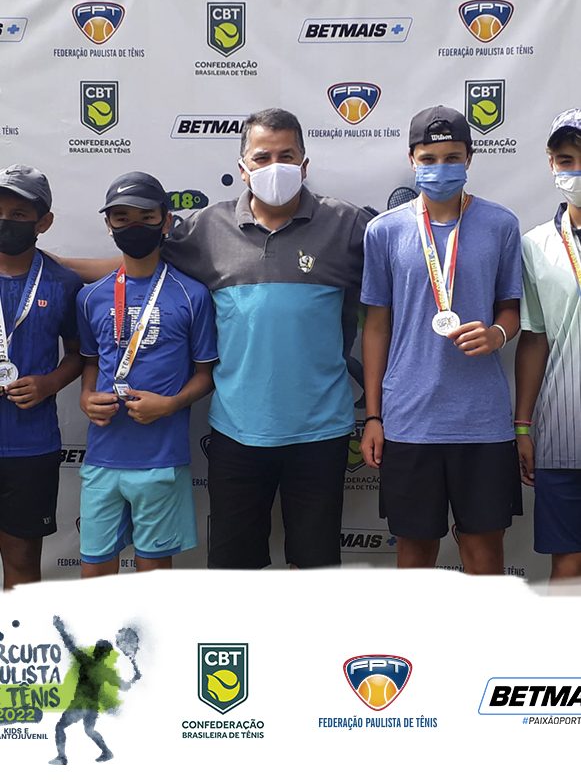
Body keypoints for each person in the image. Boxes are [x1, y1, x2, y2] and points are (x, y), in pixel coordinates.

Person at [162, 107, 372, 569]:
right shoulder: (207, 228)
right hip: (237, 430)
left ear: (304, 164)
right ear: (243, 168)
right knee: (235, 570)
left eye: (286, 156)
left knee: (316, 567)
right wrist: (51, 267)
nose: (274, 167)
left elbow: (403, 282)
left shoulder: (347, 224)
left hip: (321, 430)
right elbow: (141, 269)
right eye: (262, 157)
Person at [360, 105, 522, 574]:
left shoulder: (501, 224)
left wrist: (496, 334)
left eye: (452, 158)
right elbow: (376, 326)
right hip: (409, 419)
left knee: (485, 553)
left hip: (482, 419)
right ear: (412, 159)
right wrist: (374, 415)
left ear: (469, 158)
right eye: (428, 159)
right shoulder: (384, 231)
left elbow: (511, 310)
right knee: (414, 556)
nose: (440, 168)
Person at [76, 171, 217, 577]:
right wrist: (86, 397)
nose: (134, 226)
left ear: (166, 221)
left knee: (153, 571)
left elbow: (206, 373)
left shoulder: (193, 295)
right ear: (109, 224)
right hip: (102, 455)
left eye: (146, 217)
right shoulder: (90, 296)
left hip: (161, 458)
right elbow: (90, 361)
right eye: (122, 218)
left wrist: (171, 404)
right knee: (94, 568)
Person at [0, 164, 82, 590]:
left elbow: (79, 355)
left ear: (43, 222)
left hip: (31, 446)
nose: (6, 222)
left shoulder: (63, 282)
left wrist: (49, 383)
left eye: (18, 214)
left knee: (22, 560)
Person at [515, 108, 581, 581]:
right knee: (568, 567)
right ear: (551, 162)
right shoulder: (535, 245)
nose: (575, 171)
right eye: (566, 160)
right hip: (564, 431)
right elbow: (533, 338)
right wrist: (523, 425)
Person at [49, 615, 140, 765]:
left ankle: (62, 757)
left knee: (60, 727)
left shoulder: (86, 661)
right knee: (89, 730)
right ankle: (106, 752)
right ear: (106, 655)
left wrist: (60, 629)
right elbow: (124, 687)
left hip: (80, 704)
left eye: (98, 648)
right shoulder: (106, 672)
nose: (96, 650)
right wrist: (135, 679)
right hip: (92, 707)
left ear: (98, 651)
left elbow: (70, 645)